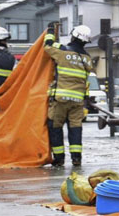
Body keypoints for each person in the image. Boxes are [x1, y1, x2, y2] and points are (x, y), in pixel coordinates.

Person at [44, 24, 93, 167]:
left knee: (55, 127)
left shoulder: (62, 51)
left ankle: (59, 159)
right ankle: (76, 158)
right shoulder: (87, 58)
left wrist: (51, 31)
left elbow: (47, 46)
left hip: (60, 99)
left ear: (73, 35)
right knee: (75, 128)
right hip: (77, 100)